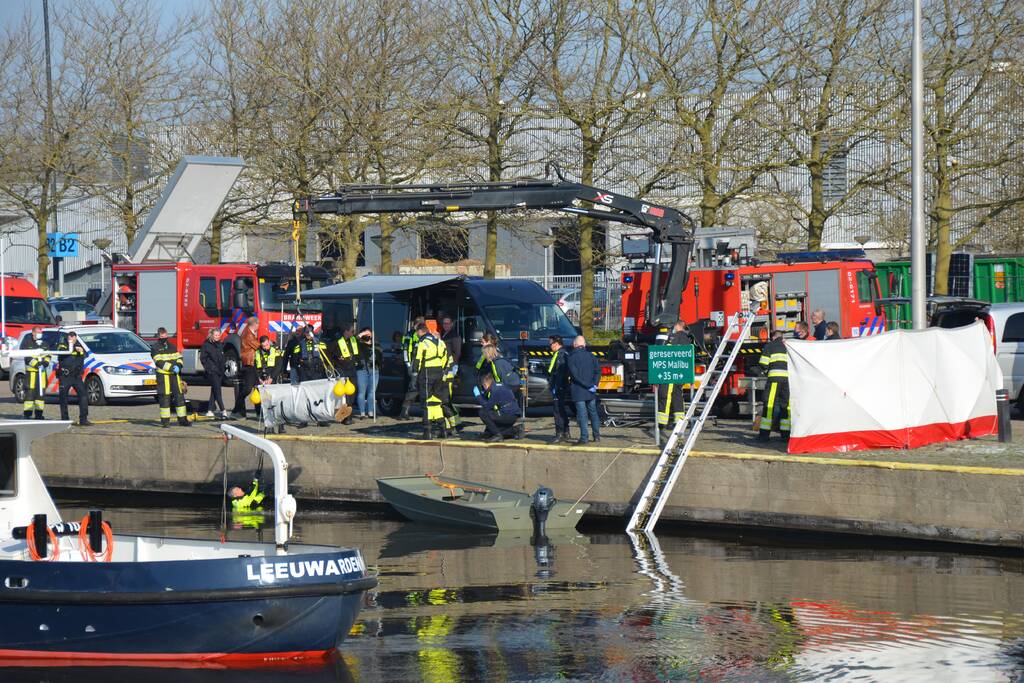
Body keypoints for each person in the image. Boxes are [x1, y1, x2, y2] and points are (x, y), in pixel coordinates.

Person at [413, 322, 452, 439]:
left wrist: (414, 376)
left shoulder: (422, 343)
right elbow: (446, 360)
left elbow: (417, 360)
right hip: (439, 373)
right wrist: (442, 371)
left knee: (426, 403)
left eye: (416, 332)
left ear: (420, 331)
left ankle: (427, 432)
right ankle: (443, 429)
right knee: (436, 402)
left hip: (427, 373)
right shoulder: (440, 342)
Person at [656, 320, 691, 433]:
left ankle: (662, 423)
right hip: (680, 372)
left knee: (664, 395)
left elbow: (666, 353)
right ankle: (679, 421)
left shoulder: (674, 338)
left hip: (670, 370)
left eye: (674, 326)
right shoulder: (687, 339)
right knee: (677, 395)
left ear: (678, 326)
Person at [151, 327, 190, 428]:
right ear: (159, 336)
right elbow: (159, 362)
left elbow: (179, 358)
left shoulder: (172, 346)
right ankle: (165, 422)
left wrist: (179, 366)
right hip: (163, 377)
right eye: (162, 336)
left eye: (165, 335)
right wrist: (172, 367)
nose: (164, 337)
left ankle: (183, 420)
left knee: (179, 398)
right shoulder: (155, 348)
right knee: (165, 398)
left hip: (175, 376)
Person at [757, 330, 790, 442]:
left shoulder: (770, 346)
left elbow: (763, 363)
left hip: (774, 379)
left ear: (774, 337)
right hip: (787, 381)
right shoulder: (788, 346)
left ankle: (764, 435)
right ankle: (786, 435)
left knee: (769, 405)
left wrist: (767, 371)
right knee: (786, 406)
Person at [567, 335, 601, 445]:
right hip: (591, 391)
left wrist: (587, 385)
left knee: (582, 415)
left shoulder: (571, 358)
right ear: (584, 345)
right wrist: (594, 384)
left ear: (574, 345)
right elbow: (598, 372)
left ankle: (584, 438)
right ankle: (597, 436)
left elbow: (575, 375)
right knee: (593, 413)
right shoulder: (592, 356)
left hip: (578, 390)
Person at [474, 372, 521, 442]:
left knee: (483, 413)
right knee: (494, 424)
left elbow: (487, 407)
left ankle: (497, 436)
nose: (483, 387)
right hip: (511, 414)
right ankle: (517, 429)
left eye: (483, 385)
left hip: (509, 415)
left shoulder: (495, 390)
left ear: (486, 384)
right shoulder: (498, 385)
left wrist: (478, 396)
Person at [56, 331, 90, 426]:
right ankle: (65, 419)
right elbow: (61, 353)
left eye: (73, 338)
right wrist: (73, 347)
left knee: (83, 396)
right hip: (65, 376)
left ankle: (83, 419)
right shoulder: (62, 345)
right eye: (69, 337)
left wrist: (81, 351)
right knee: (63, 398)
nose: (71, 339)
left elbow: (86, 355)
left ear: (76, 338)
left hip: (76, 376)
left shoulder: (80, 346)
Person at [231, 317, 260, 419]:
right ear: (255, 324)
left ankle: (259, 412)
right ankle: (236, 410)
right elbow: (257, 346)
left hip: (253, 364)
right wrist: (267, 344)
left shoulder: (250, 333)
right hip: (249, 365)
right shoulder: (248, 334)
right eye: (258, 324)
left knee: (258, 388)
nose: (259, 326)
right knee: (247, 390)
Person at [399, 316, 426, 419]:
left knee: (417, 389)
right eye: (420, 325)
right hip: (412, 365)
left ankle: (406, 412)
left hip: (420, 366)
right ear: (416, 325)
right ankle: (404, 412)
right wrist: (409, 365)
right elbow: (405, 350)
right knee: (413, 389)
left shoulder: (420, 335)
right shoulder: (409, 335)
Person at [546, 335, 571, 443]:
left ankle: (559, 434)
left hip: (559, 386)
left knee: (557, 411)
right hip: (560, 386)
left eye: (550, 344)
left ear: (556, 343)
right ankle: (566, 432)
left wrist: (556, 386)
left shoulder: (560, 354)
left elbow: (560, 373)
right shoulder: (562, 353)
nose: (549, 346)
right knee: (561, 409)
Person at [334, 325, 361, 425]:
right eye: (352, 331)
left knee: (351, 393)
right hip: (342, 370)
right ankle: (344, 417)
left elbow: (358, 352)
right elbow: (331, 354)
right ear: (346, 331)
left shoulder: (353, 340)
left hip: (352, 370)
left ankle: (348, 416)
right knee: (343, 396)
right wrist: (337, 359)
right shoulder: (337, 342)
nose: (353, 333)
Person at [22, 325, 50, 419]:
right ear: (33, 332)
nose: (39, 334)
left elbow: (48, 354)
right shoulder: (27, 342)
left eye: (40, 332)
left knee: (40, 396)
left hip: (41, 374)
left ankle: (39, 414)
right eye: (38, 332)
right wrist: (36, 364)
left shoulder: (44, 343)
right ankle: (27, 414)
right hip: (31, 374)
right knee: (29, 395)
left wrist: (46, 362)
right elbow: (27, 357)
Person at [440, 316, 463, 430]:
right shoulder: (443, 334)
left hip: (450, 367)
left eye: (448, 323)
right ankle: (451, 422)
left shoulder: (455, 336)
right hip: (445, 367)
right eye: (444, 323)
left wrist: (450, 366)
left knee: (447, 398)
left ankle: (455, 423)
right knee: (445, 398)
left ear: (452, 324)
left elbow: (457, 353)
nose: (446, 325)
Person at [200, 328, 229, 419]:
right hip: (212, 372)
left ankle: (209, 410)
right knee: (218, 391)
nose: (217, 337)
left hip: (220, 371)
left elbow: (222, 357)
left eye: (219, 335)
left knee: (214, 390)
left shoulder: (220, 345)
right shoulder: (206, 345)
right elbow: (203, 359)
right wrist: (210, 368)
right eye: (216, 335)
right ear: (212, 335)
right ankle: (223, 410)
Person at [356, 327, 381, 419]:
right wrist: (361, 335)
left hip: (374, 370)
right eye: (365, 334)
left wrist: (373, 337)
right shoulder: (359, 344)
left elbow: (380, 353)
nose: (367, 336)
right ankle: (362, 413)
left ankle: (370, 412)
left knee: (372, 392)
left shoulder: (376, 344)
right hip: (362, 370)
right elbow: (353, 339)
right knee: (362, 392)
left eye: (369, 334)